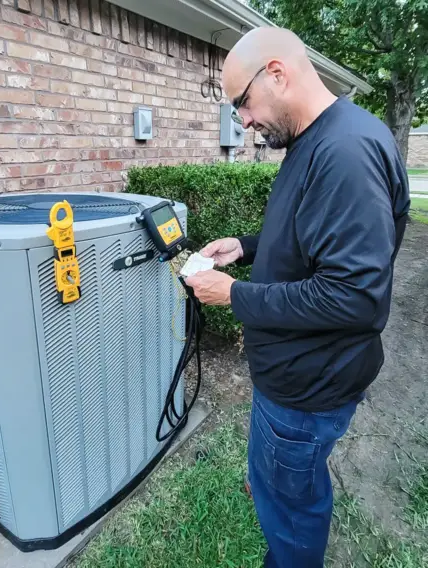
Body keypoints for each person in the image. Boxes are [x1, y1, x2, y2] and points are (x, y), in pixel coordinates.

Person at [185, 26, 410, 568]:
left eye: (242, 103)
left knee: (291, 505)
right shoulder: (315, 139)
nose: (242, 121)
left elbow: (354, 296)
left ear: (278, 75)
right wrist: (245, 246)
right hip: (297, 378)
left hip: (308, 390)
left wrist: (235, 296)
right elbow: (312, 237)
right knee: (280, 484)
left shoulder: (345, 154)